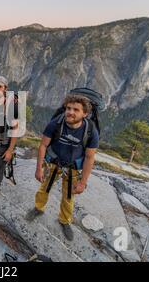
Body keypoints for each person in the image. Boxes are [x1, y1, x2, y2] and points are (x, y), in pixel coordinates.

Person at [25, 94, 99, 241]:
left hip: (72, 167)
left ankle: (64, 220)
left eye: (76, 110)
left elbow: (90, 157)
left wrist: (83, 182)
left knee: (69, 196)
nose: (70, 112)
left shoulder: (90, 131)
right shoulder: (56, 123)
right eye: (68, 108)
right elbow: (43, 145)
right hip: (54, 162)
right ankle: (38, 208)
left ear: (85, 114)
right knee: (44, 188)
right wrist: (39, 168)